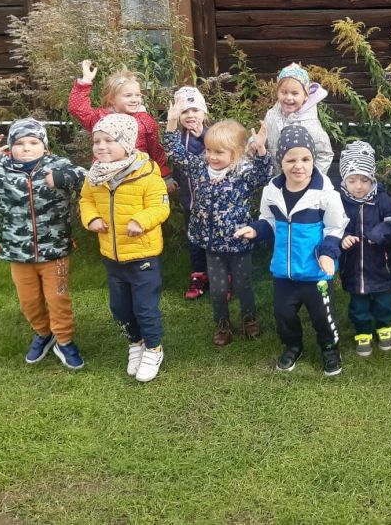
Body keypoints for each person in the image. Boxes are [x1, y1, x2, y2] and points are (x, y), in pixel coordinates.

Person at [0, 119, 87, 369]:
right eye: (19, 143)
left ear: (45, 147)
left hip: (55, 251)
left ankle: (64, 340)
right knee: (28, 302)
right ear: (10, 147)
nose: (26, 148)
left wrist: (62, 178)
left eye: (33, 142)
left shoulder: (58, 165)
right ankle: (44, 333)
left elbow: (87, 178)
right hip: (17, 252)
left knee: (58, 299)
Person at [235, 126, 348, 376]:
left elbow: (335, 228)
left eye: (305, 159)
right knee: (283, 315)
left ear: (313, 160)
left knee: (323, 317)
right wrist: (255, 230)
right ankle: (292, 346)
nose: (299, 166)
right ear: (281, 162)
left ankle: (330, 349)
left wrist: (328, 253)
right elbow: (268, 220)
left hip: (316, 273)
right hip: (283, 273)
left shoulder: (325, 194)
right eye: (291, 160)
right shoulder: (272, 191)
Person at [164, 103, 272, 347]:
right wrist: (171, 123)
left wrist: (261, 150)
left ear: (236, 153)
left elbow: (264, 175)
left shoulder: (243, 172)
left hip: (238, 241)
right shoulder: (200, 168)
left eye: (219, 152)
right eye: (209, 150)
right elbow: (176, 153)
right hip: (211, 243)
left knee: (243, 284)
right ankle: (222, 323)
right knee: (218, 288)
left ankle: (249, 318)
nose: (211, 156)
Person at [79, 114, 170, 383]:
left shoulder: (146, 173)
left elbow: (160, 207)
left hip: (142, 256)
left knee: (144, 308)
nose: (101, 146)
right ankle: (135, 343)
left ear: (127, 143)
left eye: (109, 140)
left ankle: (153, 349)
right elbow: (86, 200)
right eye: (97, 141)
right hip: (112, 256)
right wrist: (91, 219)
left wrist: (140, 221)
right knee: (119, 308)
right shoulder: (95, 175)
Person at [338, 140, 391, 356]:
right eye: (352, 180)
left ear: (372, 179)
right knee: (358, 305)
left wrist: (379, 233)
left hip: (381, 265)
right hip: (353, 268)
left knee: (385, 301)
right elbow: (332, 227)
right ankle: (363, 332)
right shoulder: (339, 202)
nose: (359, 186)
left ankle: (384, 327)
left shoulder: (382, 199)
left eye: (364, 180)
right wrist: (343, 238)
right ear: (344, 179)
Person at [68, 59, 172, 185]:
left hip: (137, 176)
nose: (134, 99)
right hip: (105, 178)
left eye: (138, 95)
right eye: (128, 95)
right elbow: (78, 109)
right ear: (112, 99)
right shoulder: (101, 118)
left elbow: (155, 149)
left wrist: (164, 176)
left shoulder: (144, 120)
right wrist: (85, 82)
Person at [168, 86, 211, 300]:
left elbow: (220, 148)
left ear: (204, 112)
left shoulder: (211, 133)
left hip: (212, 202)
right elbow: (175, 157)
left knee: (213, 238)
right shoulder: (178, 137)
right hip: (190, 201)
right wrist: (174, 178)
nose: (190, 115)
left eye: (195, 110)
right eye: (184, 111)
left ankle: (220, 274)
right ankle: (198, 275)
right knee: (194, 240)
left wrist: (202, 135)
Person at [263, 63, 334, 176]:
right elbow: (263, 137)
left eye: (295, 93)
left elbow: (325, 154)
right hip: (276, 179)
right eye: (284, 92)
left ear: (305, 95)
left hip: (300, 181)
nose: (289, 97)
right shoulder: (271, 115)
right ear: (277, 92)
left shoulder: (310, 124)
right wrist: (253, 144)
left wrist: (312, 179)